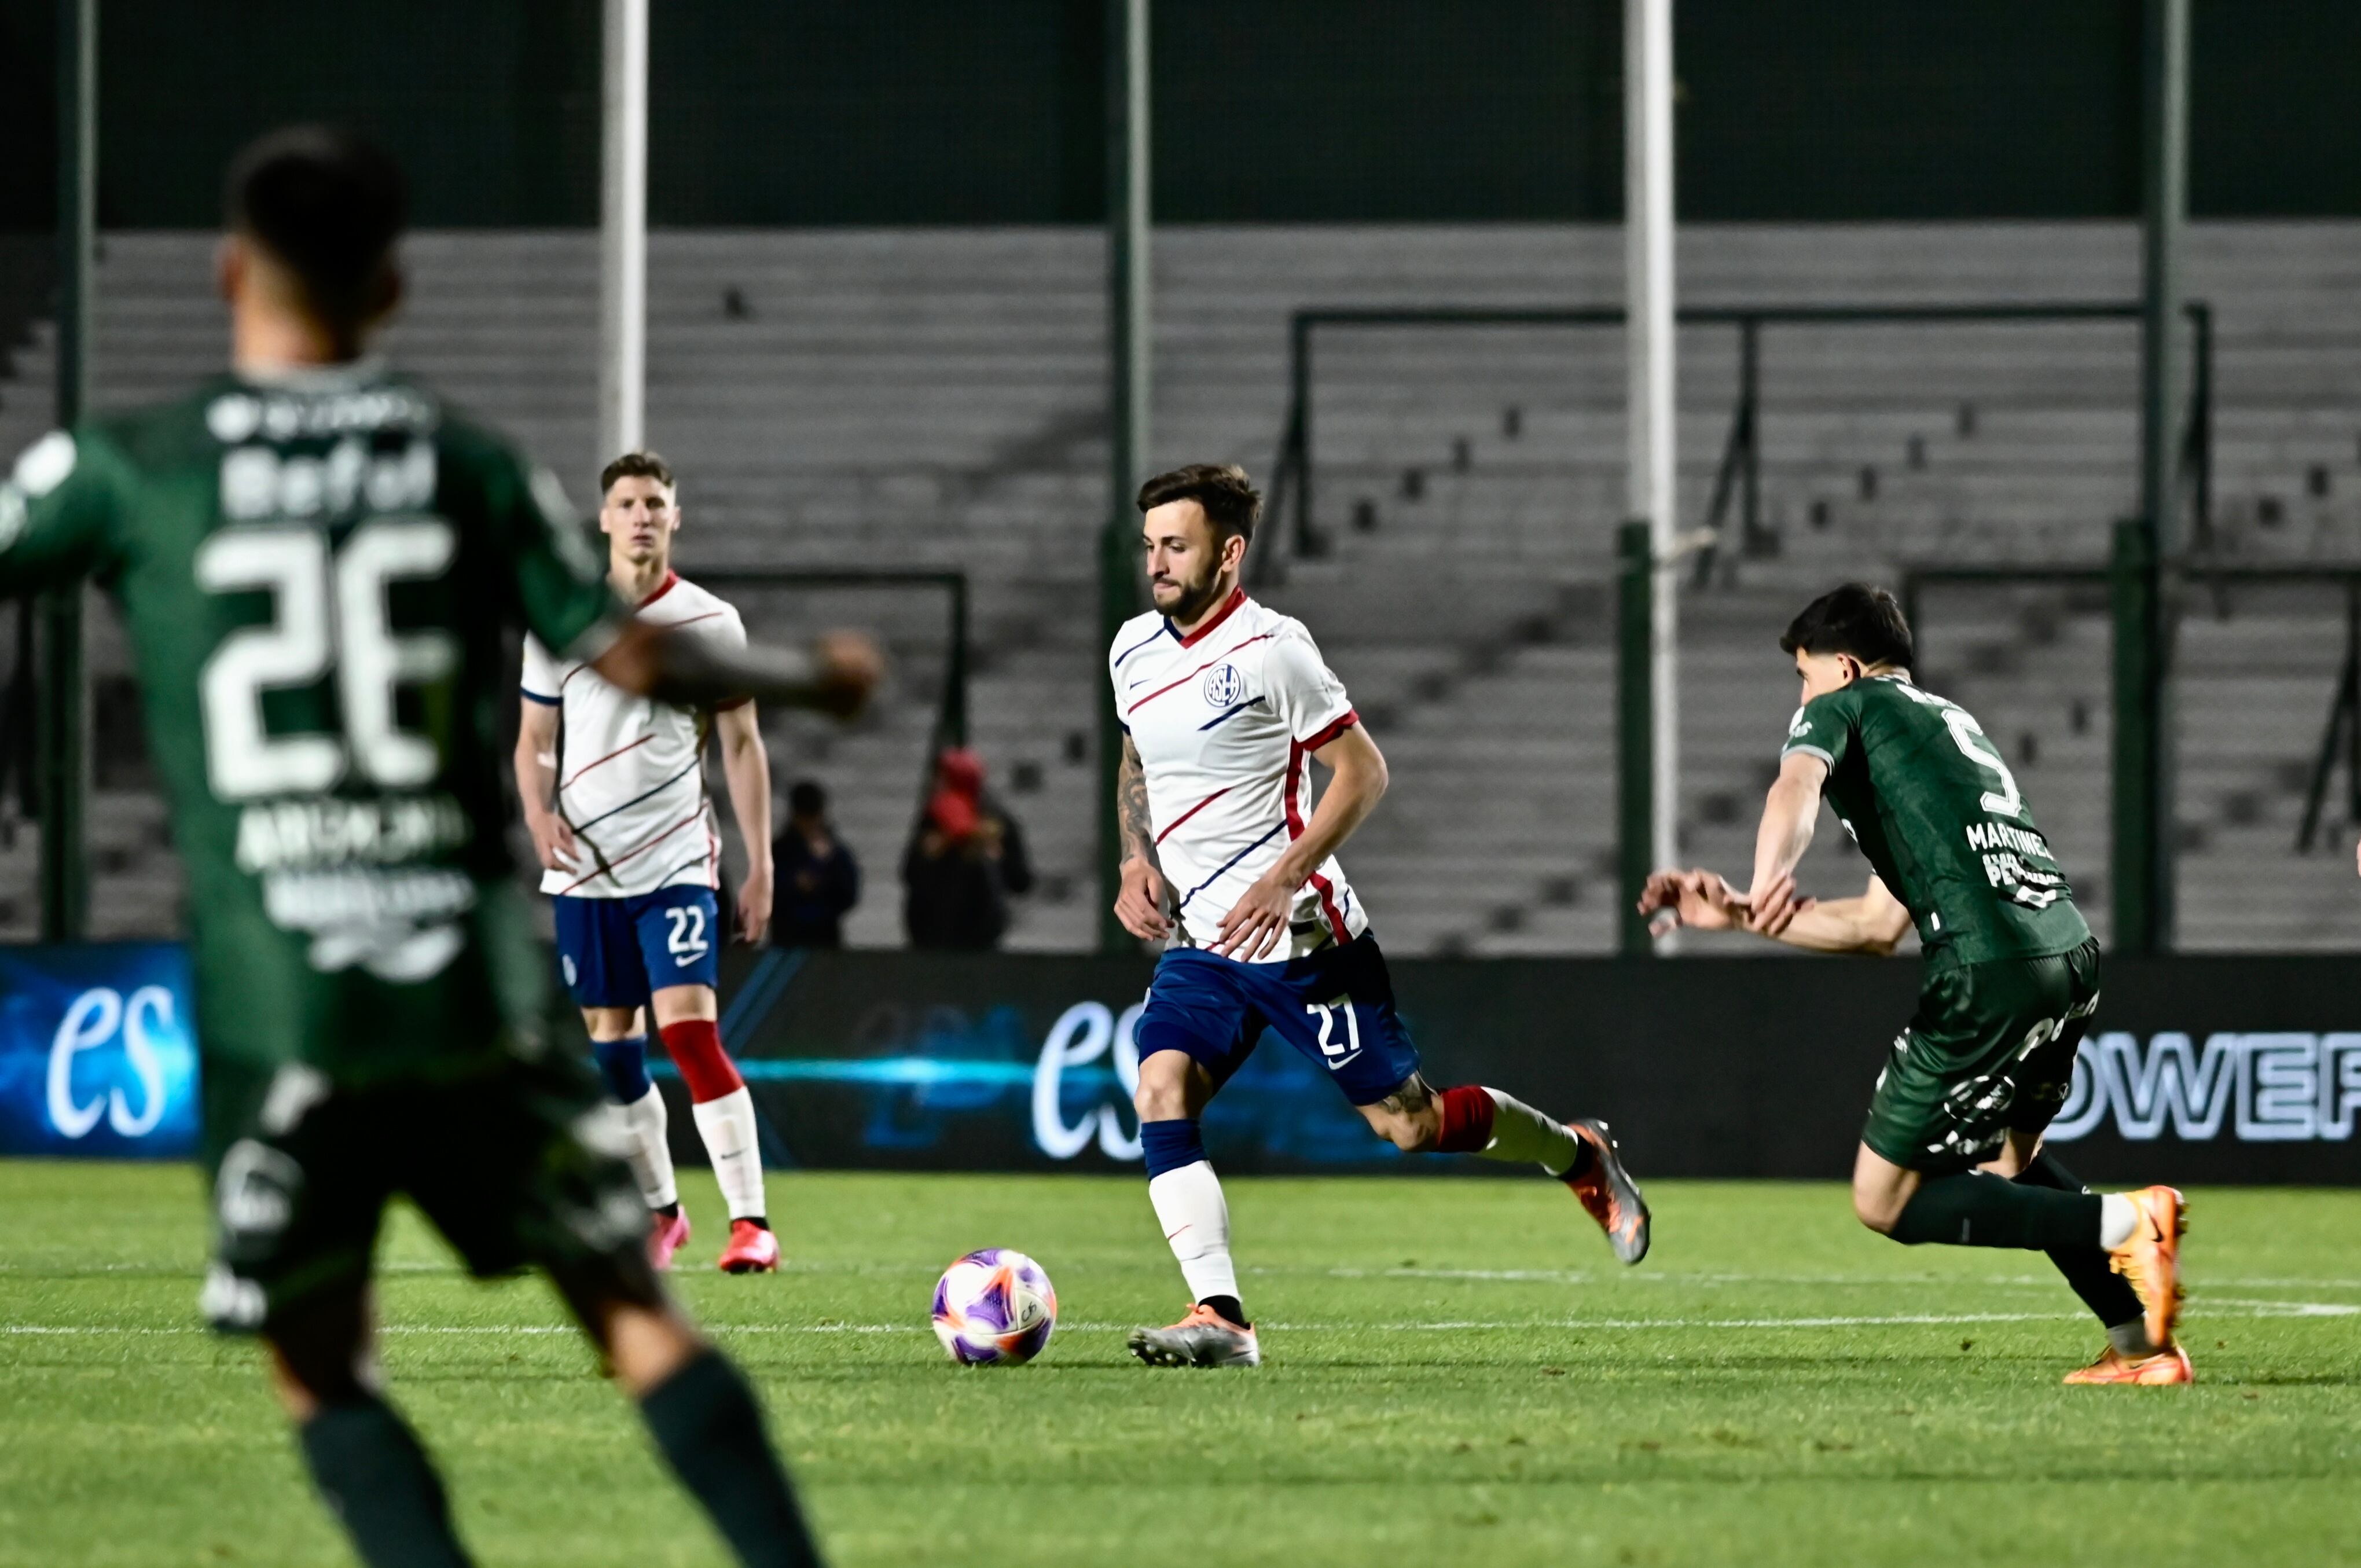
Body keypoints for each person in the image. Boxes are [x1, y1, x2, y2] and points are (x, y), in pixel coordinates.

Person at [0, 126, 880, 1567]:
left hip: (288, 1005)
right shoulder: (466, 461)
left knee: (325, 1365)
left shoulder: (131, 465)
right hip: (466, 984)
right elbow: (632, 653)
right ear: (394, 289)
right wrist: (807, 676)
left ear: (230, 272)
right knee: (633, 1325)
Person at [1108, 463, 1650, 1369]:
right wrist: (1134, 855)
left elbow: (1363, 773)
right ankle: (1222, 1315)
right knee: (1160, 1090)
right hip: (1203, 941)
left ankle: (1576, 1152)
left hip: (1303, 938)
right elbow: (1137, 752)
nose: (1156, 562)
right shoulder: (1131, 646)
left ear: (1228, 552)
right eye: (1149, 544)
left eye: (1176, 544)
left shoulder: (1273, 648)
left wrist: (1286, 874)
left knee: (1408, 1123)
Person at [1639, 582, 2190, 1386]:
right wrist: (1739, 918)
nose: (1801, 695)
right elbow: (1871, 928)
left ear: (1847, 665)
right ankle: (2141, 1346)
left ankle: (2127, 1220)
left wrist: (1764, 878)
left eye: (1804, 673)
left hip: (1986, 969)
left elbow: (1789, 787)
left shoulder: (1846, 704)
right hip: (2065, 959)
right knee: (2010, 1161)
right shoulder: (1940, 725)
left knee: (1882, 1199)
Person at [516, 450, 780, 1275]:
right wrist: (536, 812)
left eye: (654, 502)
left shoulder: (709, 622)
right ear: (602, 520)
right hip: (586, 867)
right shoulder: (560, 617)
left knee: (690, 1029)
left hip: (672, 855)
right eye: (626, 502)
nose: (640, 515)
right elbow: (533, 741)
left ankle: (751, 1224)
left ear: (675, 517)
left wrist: (759, 861)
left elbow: (741, 742)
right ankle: (661, 1214)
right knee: (610, 1049)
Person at [900, 747, 1033, 949]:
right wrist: (934, 851)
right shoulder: (933, 819)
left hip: (980, 940)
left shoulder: (997, 821)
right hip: (931, 939)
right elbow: (909, 873)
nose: (938, 786)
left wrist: (996, 857)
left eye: (944, 779)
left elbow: (1021, 881)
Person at [772, 780, 860, 948]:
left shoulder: (835, 851)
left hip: (825, 940)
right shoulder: (781, 850)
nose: (809, 825)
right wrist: (794, 884)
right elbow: (769, 892)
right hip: (788, 938)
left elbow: (849, 892)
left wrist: (824, 879)